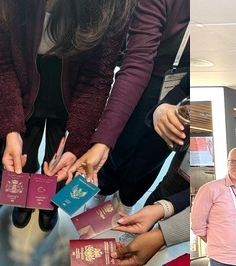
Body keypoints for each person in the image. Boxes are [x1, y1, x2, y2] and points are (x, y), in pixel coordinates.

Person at [0, 0, 133, 230]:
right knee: (22, 150)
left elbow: (97, 76)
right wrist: (11, 129)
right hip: (23, 80)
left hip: (72, 82)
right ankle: (23, 199)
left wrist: (77, 142)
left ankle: (50, 203)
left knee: (60, 153)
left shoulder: (110, 6)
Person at [70, 0, 190, 212]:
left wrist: (172, 100)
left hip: (188, 91)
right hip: (150, 77)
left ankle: (126, 202)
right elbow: (137, 61)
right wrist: (103, 141)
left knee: (152, 158)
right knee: (122, 143)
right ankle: (102, 190)